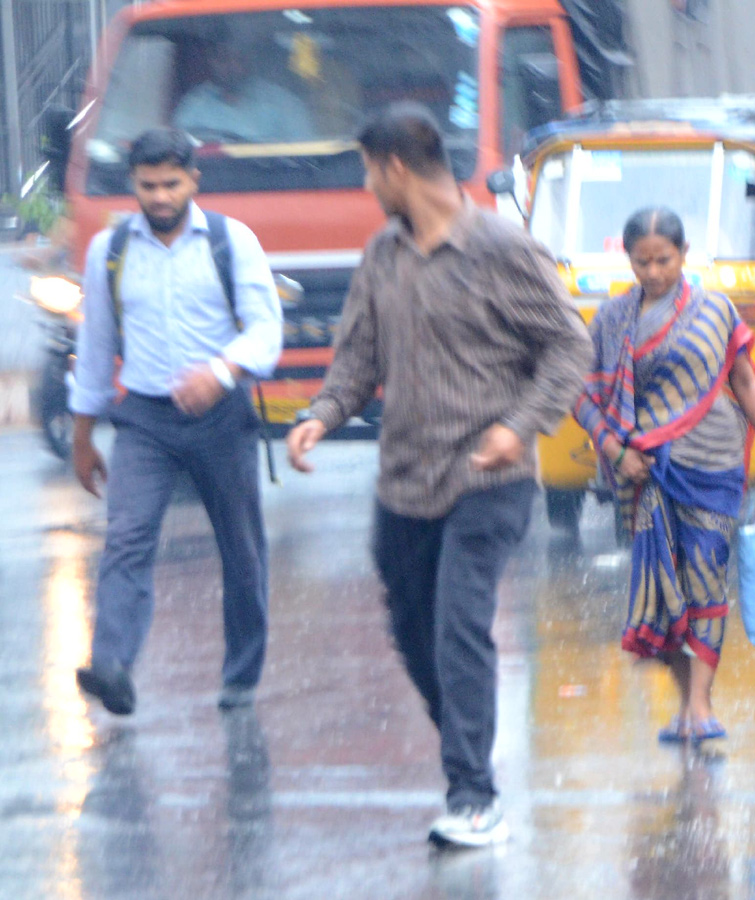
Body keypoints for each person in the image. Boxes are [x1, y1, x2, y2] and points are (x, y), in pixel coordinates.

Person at [285, 103, 590, 848]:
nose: (367, 186)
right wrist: (321, 415)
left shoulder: (502, 248)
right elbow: (358, 357)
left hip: (489, 479)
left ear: (394, 168)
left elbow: (568, 346)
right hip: (404, 480)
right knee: (413, 627)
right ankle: (463, 735)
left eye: (366, 171)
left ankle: (473, 794)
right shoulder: (382, 256)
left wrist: (517, 429)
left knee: (460, 623)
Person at [72, 127, 283, 715]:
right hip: (143, 420)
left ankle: (241, 674)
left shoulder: (230, 242)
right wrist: (83, 437)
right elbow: (94, 351)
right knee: (127, 538)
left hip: (221, 416)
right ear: (133, 185)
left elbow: (266, 333)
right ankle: (112, 665)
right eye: (148, 185)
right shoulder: (108, 252)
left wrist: (218, 372)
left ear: (193, 179)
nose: (160, 196)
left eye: (170, 183)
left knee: (241, 548)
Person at [574, 208, 755, 745]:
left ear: (684, 254)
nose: (653, 272)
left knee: (705, 577)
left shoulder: (714, 310)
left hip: (713, 462)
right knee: (663, 588)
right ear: (629, 260)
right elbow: (582, 393)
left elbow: (745, 380)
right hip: (645, 472)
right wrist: (614, 450)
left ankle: (701, 703)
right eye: (642, 262)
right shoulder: (613, 320)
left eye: (663, 260)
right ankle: (682, 699)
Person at [174, 38, 315, 143]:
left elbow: (305, 152)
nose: (231, 66)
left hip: (273, 179)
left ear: (249, 61)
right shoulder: (195, 104)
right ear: (212, 62)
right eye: (223, 59)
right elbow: (180, 153)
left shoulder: (283, 102)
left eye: (238, 59)